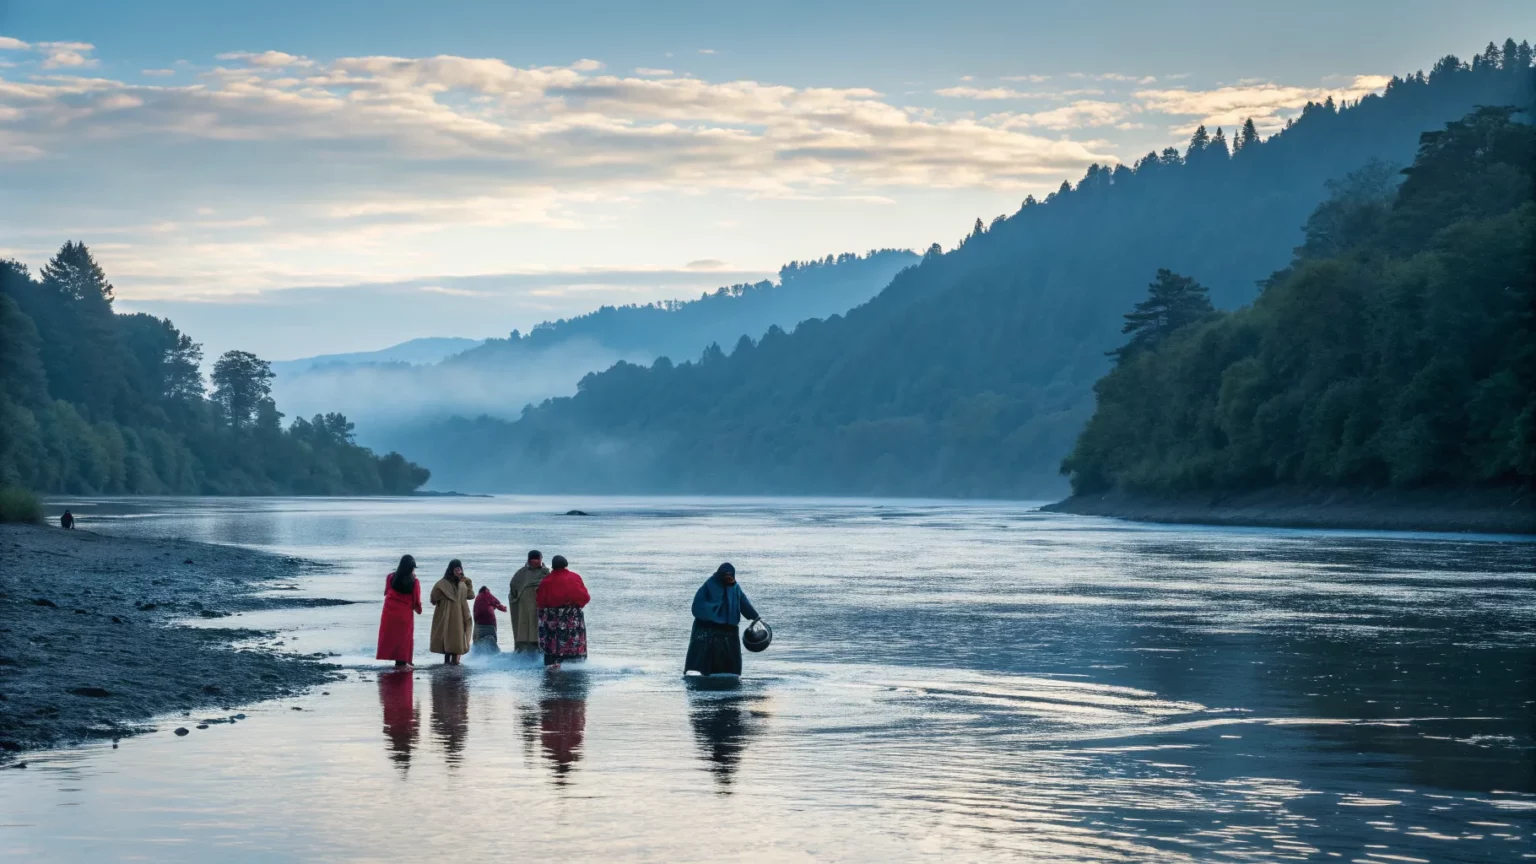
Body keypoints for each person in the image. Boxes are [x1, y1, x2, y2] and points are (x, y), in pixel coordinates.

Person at [685, 563, 760, 677]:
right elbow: (698, 606)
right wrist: (711, 615)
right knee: (703, 659)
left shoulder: (735, 587)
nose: (729, 579)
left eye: (731, 576)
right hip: (708, 627)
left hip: (729, 629)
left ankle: (727, 674)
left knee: (728, 666)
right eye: (726, 576)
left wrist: (755, 617)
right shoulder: (709, 585)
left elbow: (743, 603)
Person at [535, 554, 590, 668]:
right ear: (566, 564)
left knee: (553, 640)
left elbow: (540, 601)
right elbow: (584, 597)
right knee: (573, 638)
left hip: (551, 617)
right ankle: (575, 660)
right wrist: (575, 607)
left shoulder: (546, 581)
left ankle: (553, 661)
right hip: (571, 616)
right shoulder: (574, 577)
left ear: (553, 566)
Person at [376, 554, 423, 666]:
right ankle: (402, 663)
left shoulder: (390, 577)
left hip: (389, 614)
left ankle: (395, 661)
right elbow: (416, 602)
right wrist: (419, 610)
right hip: (404, 616)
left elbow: (387, 592)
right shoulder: (414, 582)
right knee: (404, 640)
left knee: (391, 637)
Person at [429, 559, 474, 665]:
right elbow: (434, 599)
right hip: (453, 615)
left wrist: (466, 581)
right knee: (451, 639)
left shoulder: (444, 584)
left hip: (454, 616)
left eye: (459, 569)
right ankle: (450, 664)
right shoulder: (445, 584)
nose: (458, 571)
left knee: (452, 640)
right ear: (451, 570)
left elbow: (471, 595)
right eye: (456, 569)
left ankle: (451, 663)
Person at [508, 550, 551, 654]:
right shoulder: (522, 573)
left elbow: (552, 587)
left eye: (538, 560)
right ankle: (526, 652)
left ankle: (538, 651)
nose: (536, 562)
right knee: (526, 628)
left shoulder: (546, 572)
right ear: (529, 560)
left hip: (539, 605)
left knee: (536, 628)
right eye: (534, 560)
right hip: (525, 605)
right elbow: (513, 588)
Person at [472, 585, 507, 654]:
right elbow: (497, 603)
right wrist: (503, 608)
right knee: (492, 643)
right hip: (489, 624)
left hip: (478, 626)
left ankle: (476, 656)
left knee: (477, 644)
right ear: (486, 590)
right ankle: (497, 654)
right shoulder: (486, 594)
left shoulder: (477, 598)